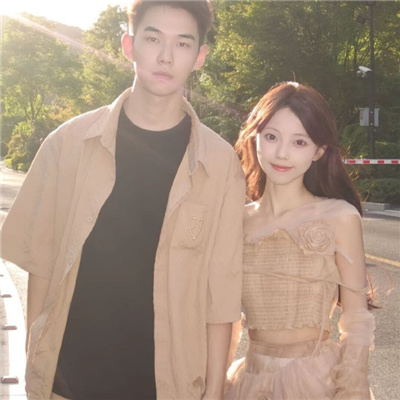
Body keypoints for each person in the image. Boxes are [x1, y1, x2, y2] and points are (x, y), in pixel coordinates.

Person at [0, 1, 246, 399]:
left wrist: (214, 392)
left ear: (199, 56)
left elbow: (222, 296)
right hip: (69, 382)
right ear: (129, 45)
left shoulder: (220, 166)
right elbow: (40, 265)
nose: (166, 56)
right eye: (153, 39)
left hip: (168, 386)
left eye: (183, 44)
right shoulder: (68, 145)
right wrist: (35, 370)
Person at [225, 81, 376, 400]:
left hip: (315, 381)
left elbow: (355, 320)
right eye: (271, 137)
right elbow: (225, 319)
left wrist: (353, 390)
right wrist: (214, 386)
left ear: (319, 150)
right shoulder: (234, 219)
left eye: (299, 142)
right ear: (255, 138)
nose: (282, 153)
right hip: (247, 383)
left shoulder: (339, 216)